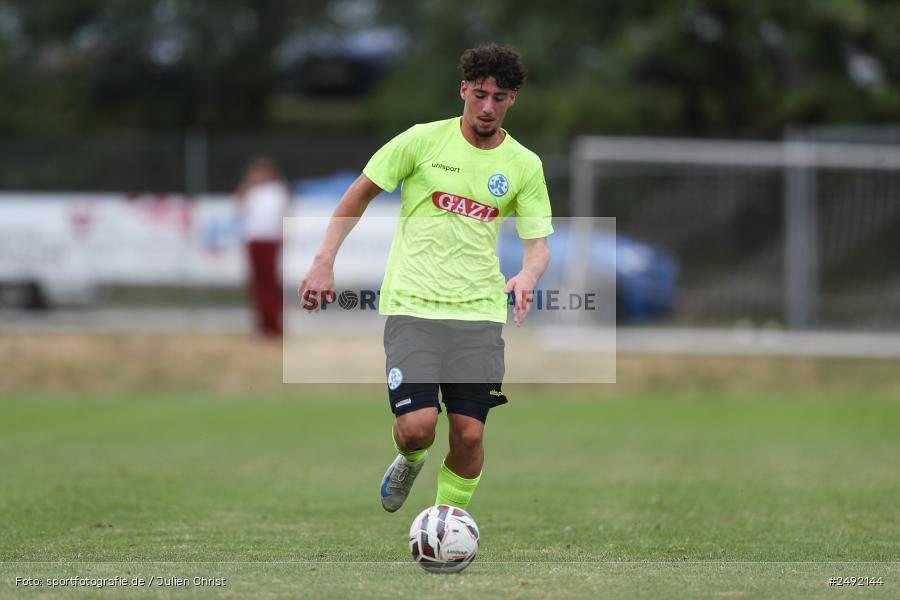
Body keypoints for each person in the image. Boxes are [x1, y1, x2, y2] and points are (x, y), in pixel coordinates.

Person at [298, 44, 552, 512]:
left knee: (469, 433)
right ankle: (410, 458)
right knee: (418, 427)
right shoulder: (421, 141)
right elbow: (358, 195)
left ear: (513, 99)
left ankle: (447, 524)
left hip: (478, 313)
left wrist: (528, 275)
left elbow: (537, 243)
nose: (488, 107)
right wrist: (323, 261)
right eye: (479, 95)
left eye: (499, 98)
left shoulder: (524, 165)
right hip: (414, 307)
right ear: (463, 90)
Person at [236, 157, 290, 338]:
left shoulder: (276, 191)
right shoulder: (252, 191)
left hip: (270, 240)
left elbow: (284, 213)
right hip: (254, 240)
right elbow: (239, 207)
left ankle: (273, 325)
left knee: (270, 284)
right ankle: (262, 325)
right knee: (257, 285)